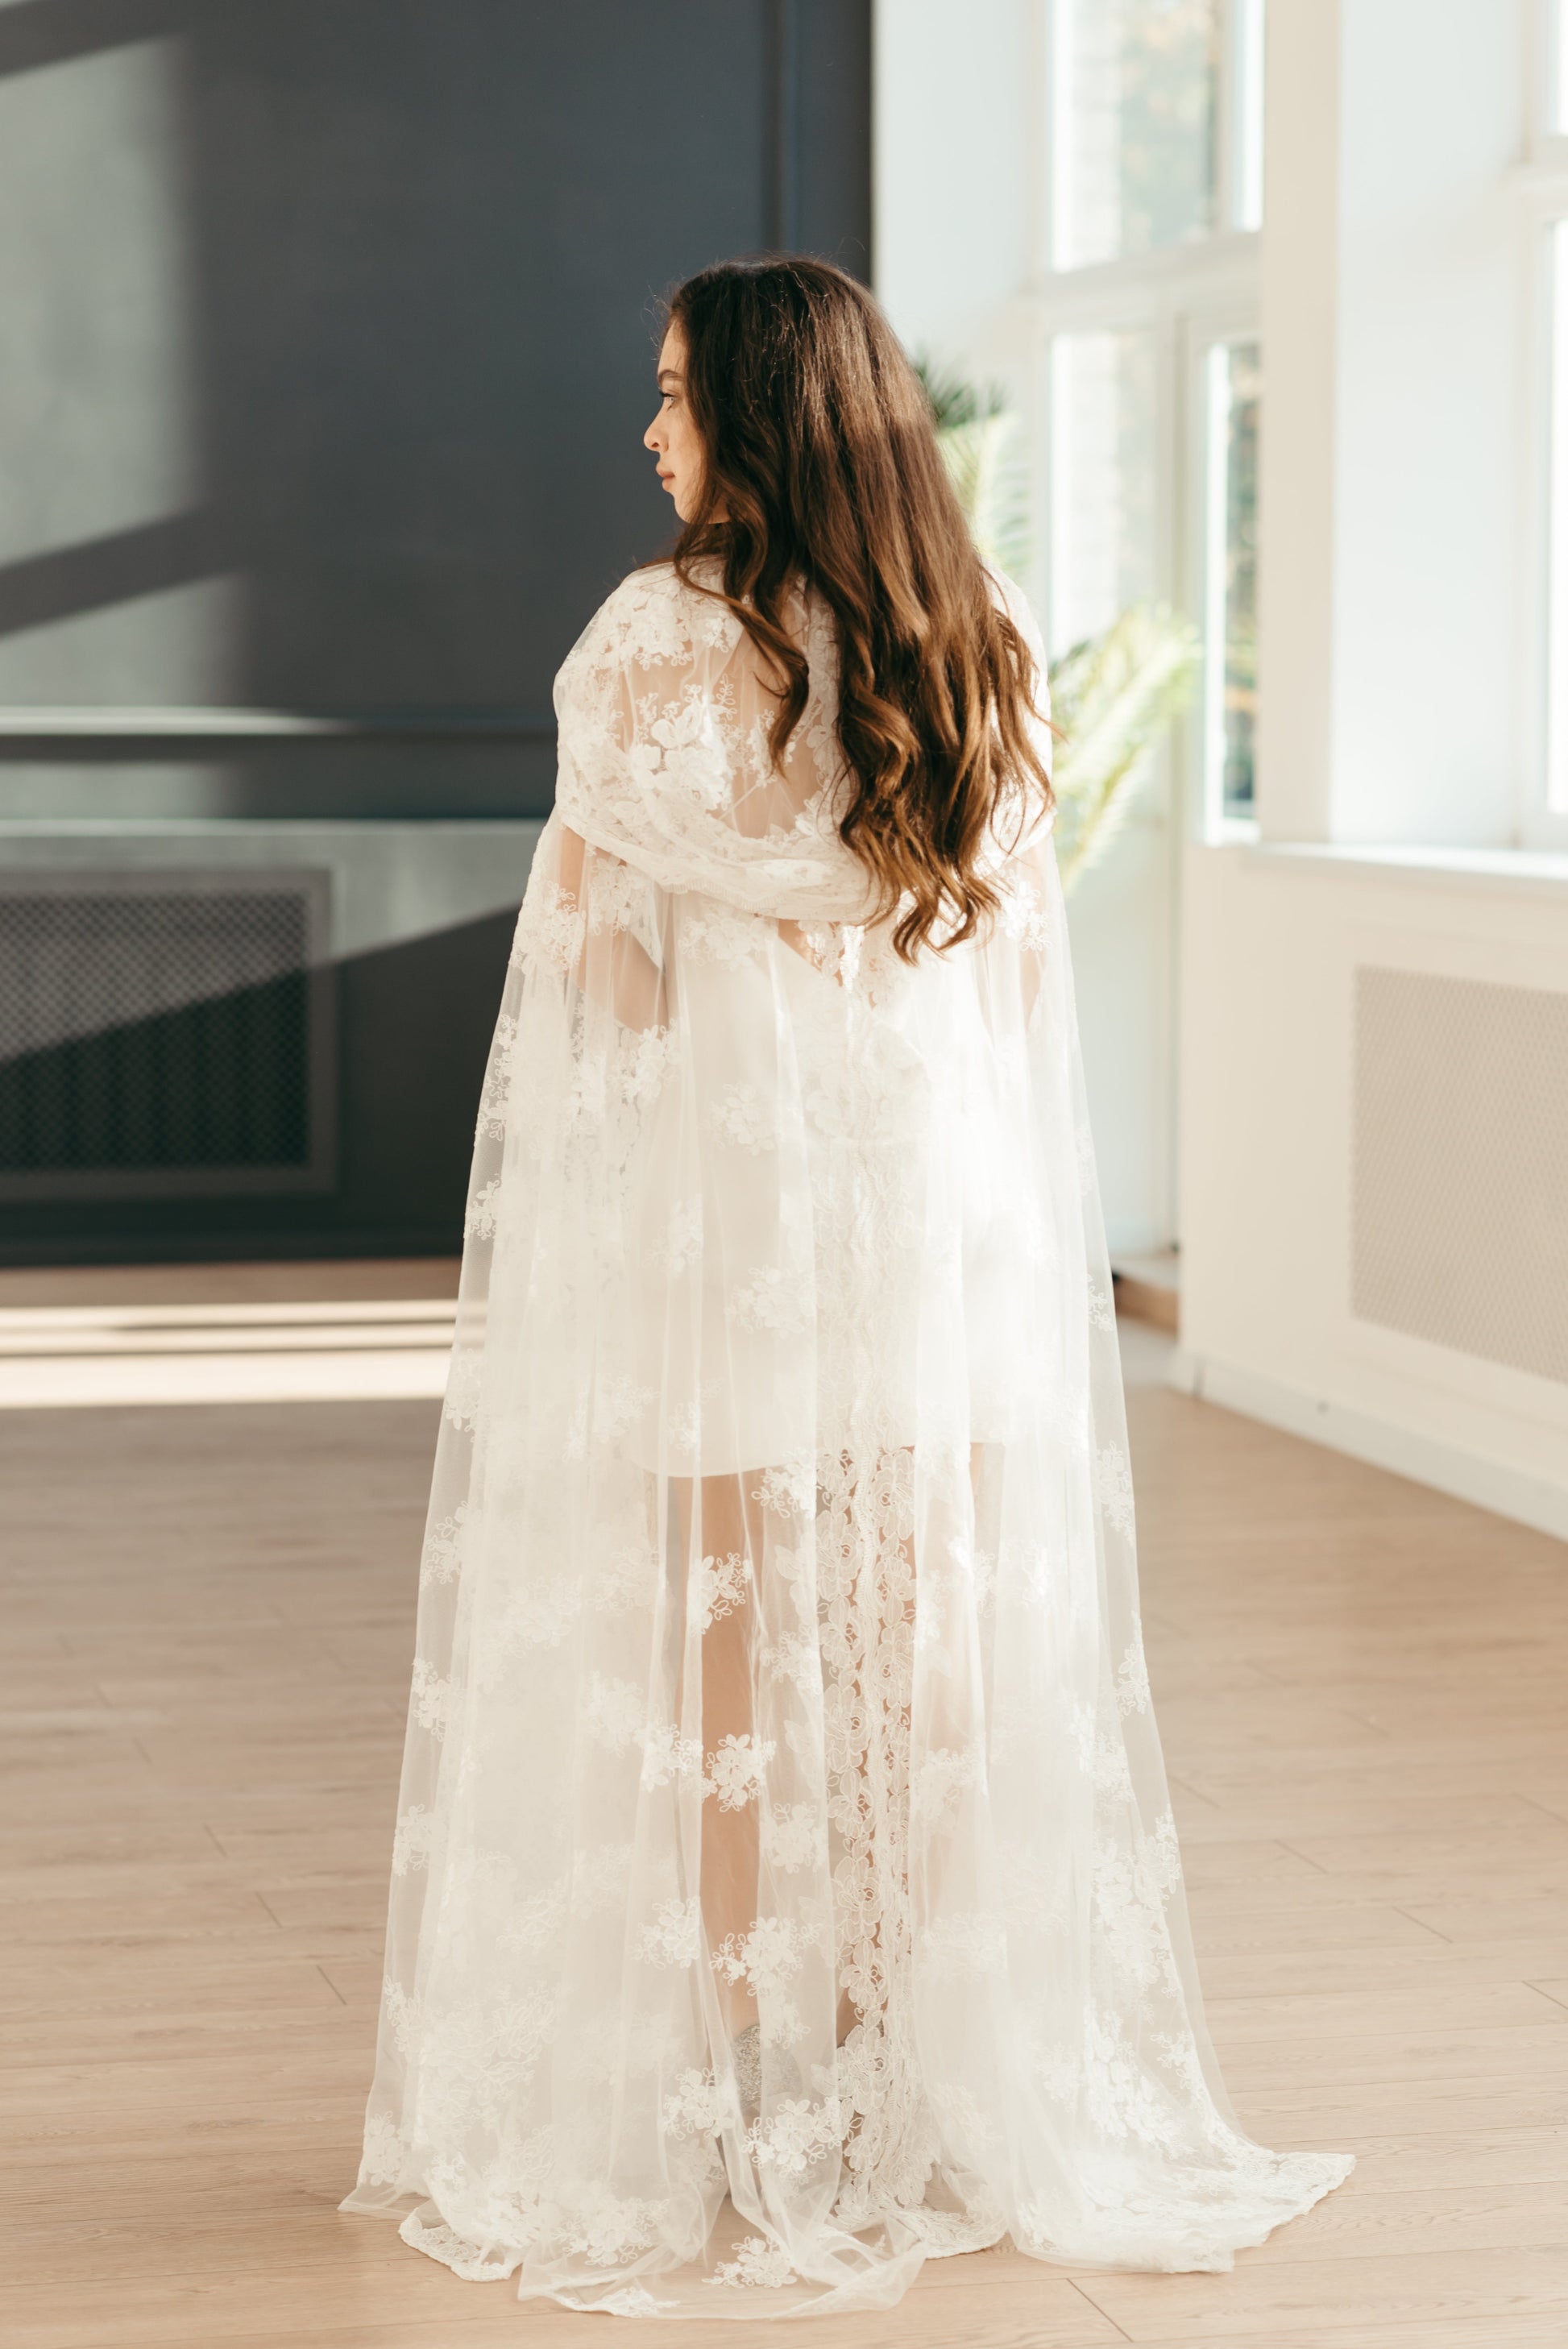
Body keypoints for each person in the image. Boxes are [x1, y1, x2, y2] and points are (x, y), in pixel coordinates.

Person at [341, 256, 1350, 2318]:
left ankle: (751, 2103)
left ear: (758, 417)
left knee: (727, 1668)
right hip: (942, 1231)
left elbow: (604, 986)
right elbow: (1015, 997)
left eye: (671, 394)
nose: (647, 432)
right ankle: (908, 2072)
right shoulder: (974, 654)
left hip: (739, 1227)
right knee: (929, 1655)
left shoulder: (645, 651)